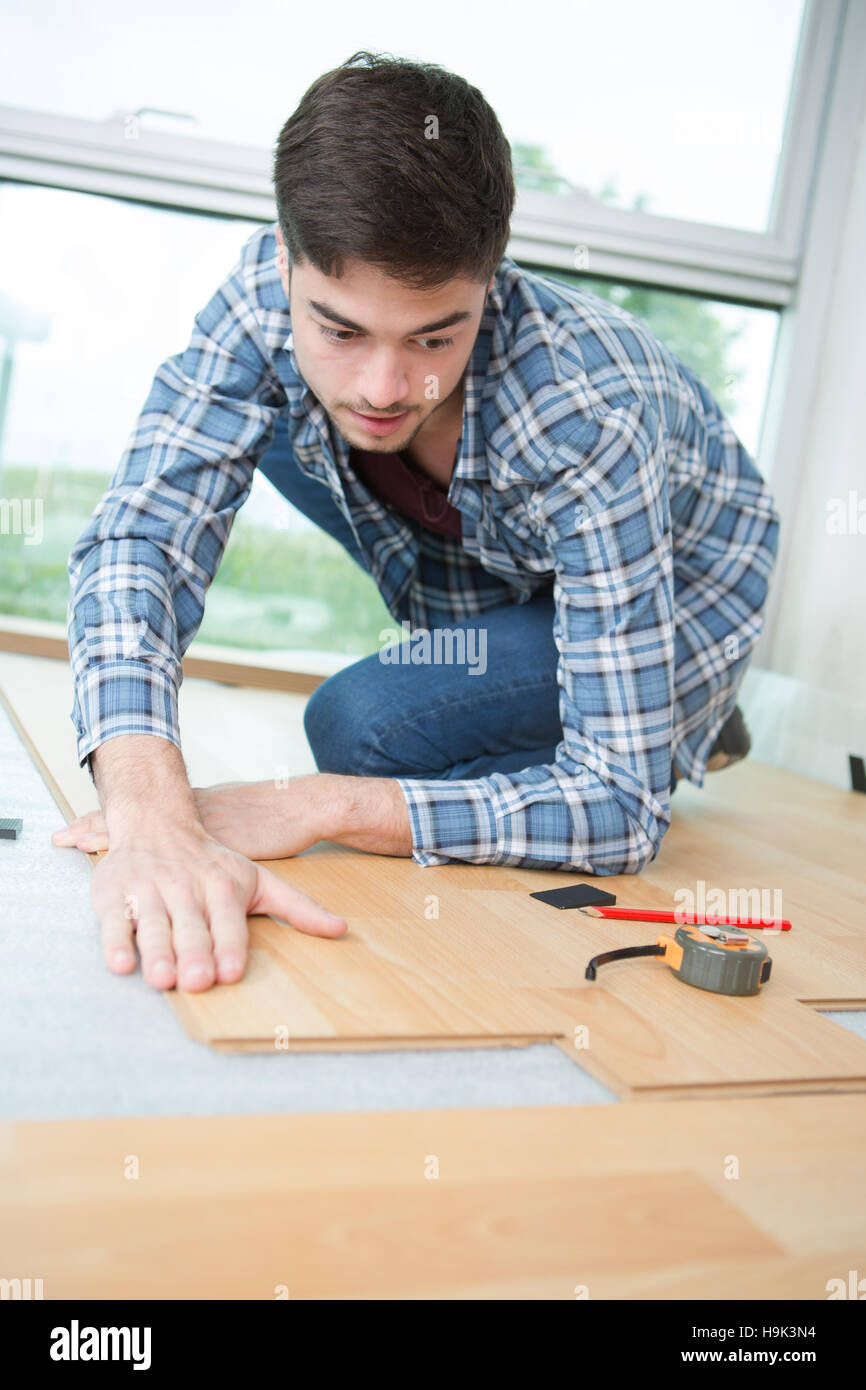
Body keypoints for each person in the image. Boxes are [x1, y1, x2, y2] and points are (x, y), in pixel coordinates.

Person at [53, 51, 780, 994]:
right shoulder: (263, 300)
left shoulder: (589, 413)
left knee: (366, 730)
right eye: (343, 329)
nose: (386, 387)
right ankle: (559, 682)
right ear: (284, 258)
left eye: (437, 335)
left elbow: (619, 812)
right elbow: (141, 536)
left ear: (492, 279)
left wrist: (316, 805)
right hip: (509, 549)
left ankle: (682, 702)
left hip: (675, 589)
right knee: (271, 414)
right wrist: (150, 807)